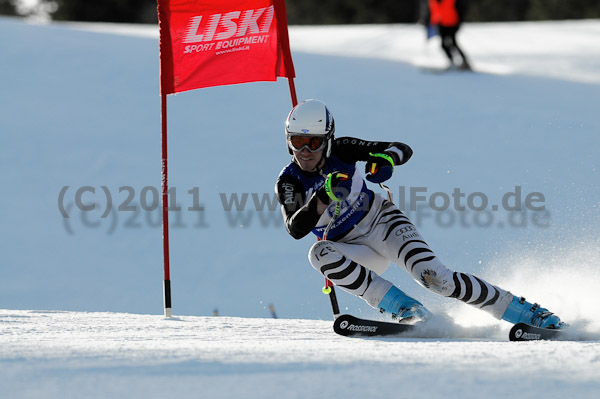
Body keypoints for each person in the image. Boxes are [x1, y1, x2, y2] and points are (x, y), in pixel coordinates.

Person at [275, 99, 565, 329]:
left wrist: (384, 160)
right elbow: (295, 227)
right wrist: (322, 196)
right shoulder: (289, 181)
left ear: (327, 138)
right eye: (296, 141)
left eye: (312, 142)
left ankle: (526, 313)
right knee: (318, 253)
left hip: (382, 223)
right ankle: (406, 309)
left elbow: (400, 148)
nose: (304, 151)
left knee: (438, 279)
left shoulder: (343, 149)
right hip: (351, 246)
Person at [428, 0, 471, 70]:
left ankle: (465, 62)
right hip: (441, 24)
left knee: (453, 43)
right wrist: (427, 20)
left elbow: (461, 8)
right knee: (443, 45)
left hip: (453, 23)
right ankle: (451, 62)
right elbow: (431, 10)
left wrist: (460, 20)